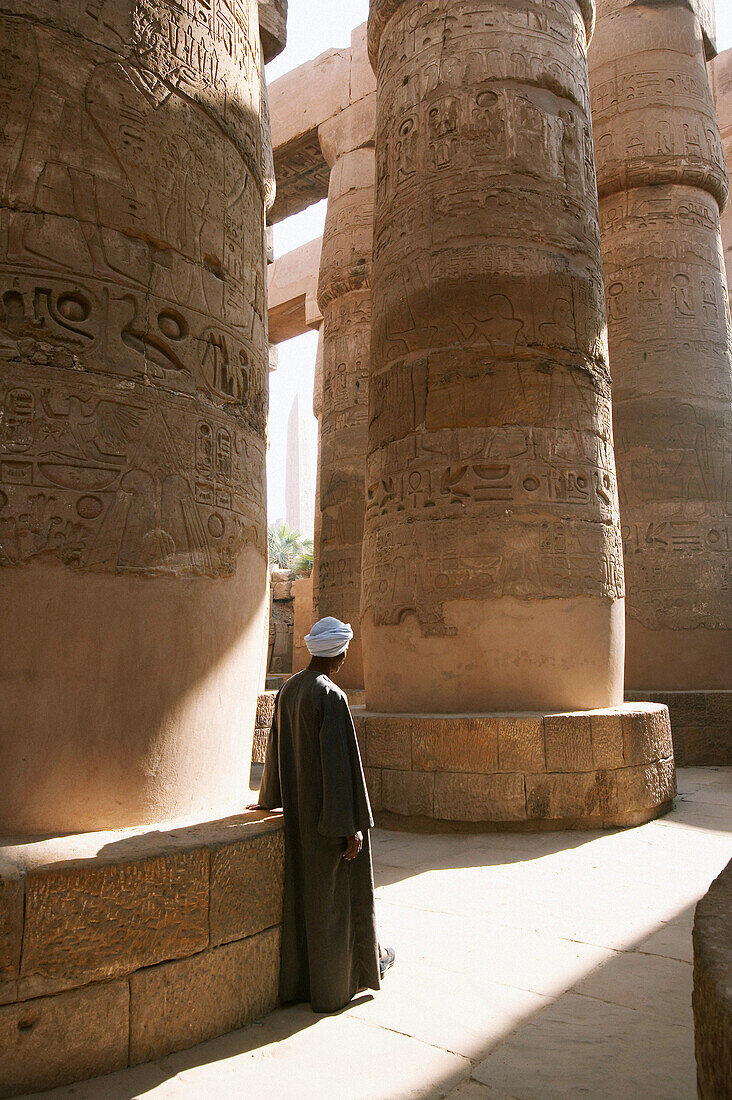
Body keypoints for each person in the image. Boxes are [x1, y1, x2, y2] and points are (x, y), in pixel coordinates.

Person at [250, 616, 394, 1013]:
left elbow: (274, 750)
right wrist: (349, 828)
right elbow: (338, 767)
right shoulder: (331, 696)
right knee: (336, 904)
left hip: (300, 816)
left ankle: (303, 984)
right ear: (339, 653)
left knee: (306, 905)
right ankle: (338, 985)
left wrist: (268, 799)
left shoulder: (290, 689)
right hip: (328, 821)